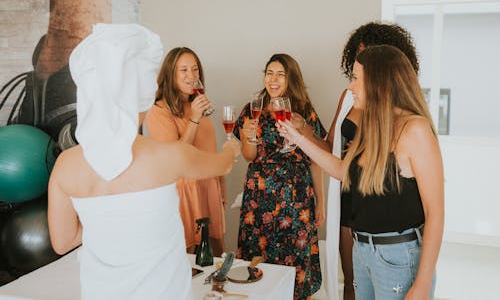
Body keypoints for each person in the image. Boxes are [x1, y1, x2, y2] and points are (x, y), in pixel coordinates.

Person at [47, 24, 240, 300]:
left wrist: (107, 217)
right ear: (141, 93)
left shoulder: (66, 166)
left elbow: (62, 241)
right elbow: (223, 164)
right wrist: (232, 149)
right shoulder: (168, 156)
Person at [278, 45, 444, 300]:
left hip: (398, 257)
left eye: (356, 78)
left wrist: (421, 284)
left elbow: (436, 213)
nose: (350, 87)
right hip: (363, 251)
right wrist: (298, 138)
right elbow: (344, 171)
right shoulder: (372, 124)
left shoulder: (415, 130)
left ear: (379, 83)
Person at [233, 53, 326, 300]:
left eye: (280, 75)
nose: (273, 80)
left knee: (295, 261)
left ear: (290, 79)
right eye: (269, 73)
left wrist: (321, 201)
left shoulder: (303, 111)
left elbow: (316, 158)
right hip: (259, 199)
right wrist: (249, 137)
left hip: (296, 200)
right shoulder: (252, 110)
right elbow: (248, 156)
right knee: (258, 263)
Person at [144, 47, 226, 256]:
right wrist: (195, 118)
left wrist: (221, 188)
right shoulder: (159, 111)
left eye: (195, 70)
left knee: (215, 260)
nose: (191, 76)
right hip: (184, 195)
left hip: (208, 189)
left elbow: (211, 151)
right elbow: (176, 158)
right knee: (187, 261)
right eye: (184, 70)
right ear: (170, 75)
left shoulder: (198, 105)